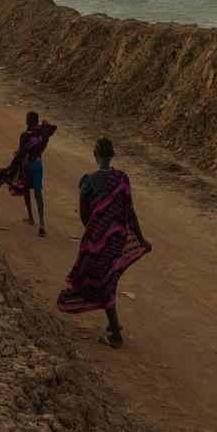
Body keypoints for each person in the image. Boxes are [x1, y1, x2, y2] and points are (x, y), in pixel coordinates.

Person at [57, 136, 151, 349]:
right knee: (109, 279)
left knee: (98, 281)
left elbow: (84, 215)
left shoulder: (87, 181)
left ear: (94, 154)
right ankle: (114, 324)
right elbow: (130, 213)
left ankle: (116, 336)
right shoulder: (122, 179)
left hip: (97, 241)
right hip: (117, 240)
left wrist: (95, 233)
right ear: (112, 155)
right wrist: (142, 240)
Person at [0, 112, 57, 236]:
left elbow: (22, 152)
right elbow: (52, 128)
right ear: (37, 120)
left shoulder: (24, 136)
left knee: (26, 190)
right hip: (38, 165)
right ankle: (42, 223)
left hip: (27, 166)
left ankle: (30, 218)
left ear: (27, 121)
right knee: (38, 194)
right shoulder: (43, 133)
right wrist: (45, 124)